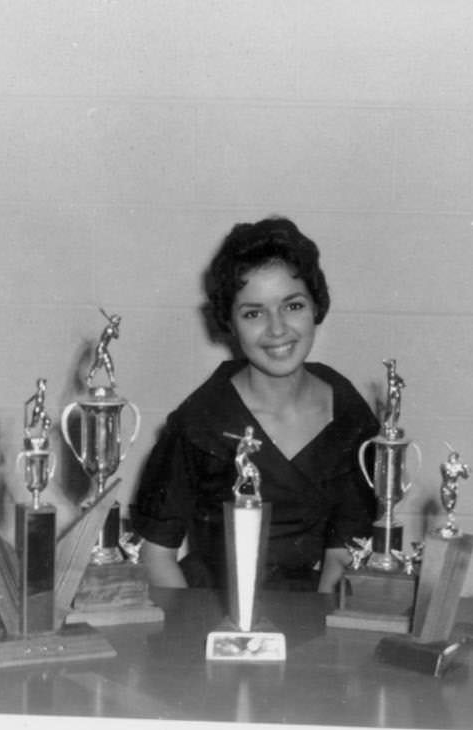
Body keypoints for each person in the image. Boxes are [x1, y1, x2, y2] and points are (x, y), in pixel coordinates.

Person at [130, 216, 379, 593]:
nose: (277, 329)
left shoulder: (350, 416)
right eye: (253, 313)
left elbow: (342, 559)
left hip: (309, 616)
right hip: (209, 616)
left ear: (316, 306)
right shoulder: (199, 421)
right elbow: (156, 554)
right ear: (228, 321)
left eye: (292, 306)